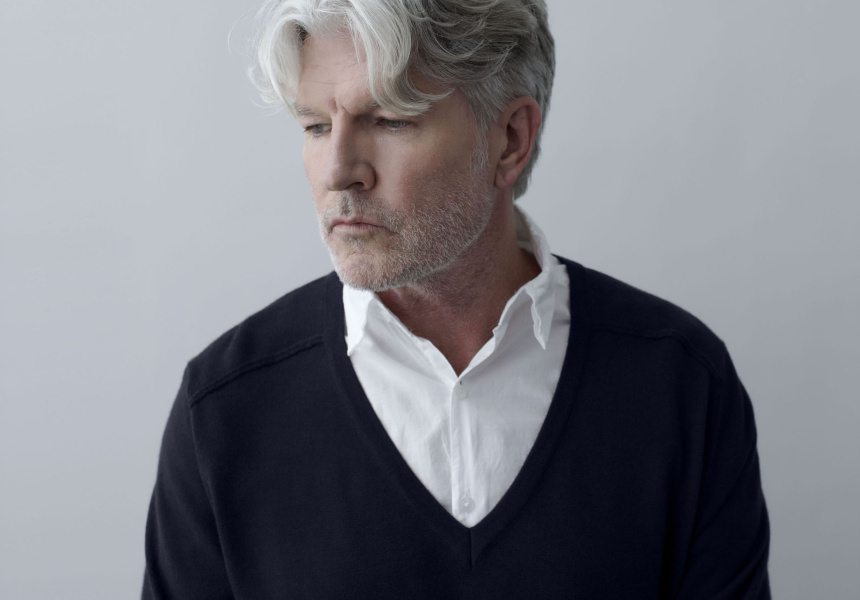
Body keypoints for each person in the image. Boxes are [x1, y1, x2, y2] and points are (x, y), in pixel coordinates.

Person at [141, 1, 770, 598]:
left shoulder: (683, 387)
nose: (338, 171)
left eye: (390, 120)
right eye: (315, 125)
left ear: (510, 140)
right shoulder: (224, 411)